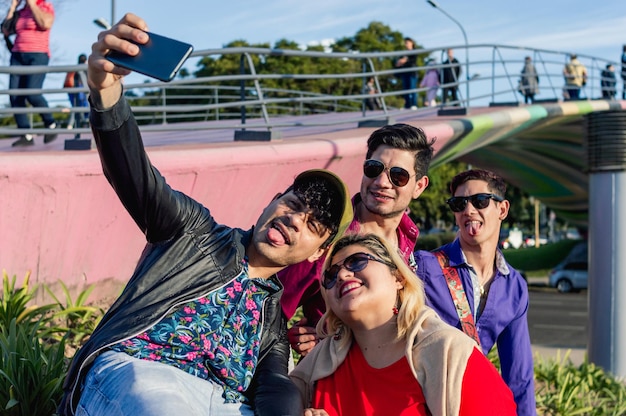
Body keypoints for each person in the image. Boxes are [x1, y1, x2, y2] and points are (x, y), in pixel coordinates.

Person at [58, 13, 354, 416]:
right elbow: (135, 177)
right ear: (271, 201)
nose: (294, 220)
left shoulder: (271, 324)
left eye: (312, 224)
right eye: (293, 204)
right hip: (143, 374)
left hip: (222, 404)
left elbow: (275, 387)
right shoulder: (193, 232)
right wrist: (107, 95)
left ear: (317, 252)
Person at [290, 233, 517, 415]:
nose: (341, 275)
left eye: (356, 262)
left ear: (398, 278)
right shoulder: (314, 369)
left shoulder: (451, 354)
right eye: (330, 276)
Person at [280, 123, 434, 358]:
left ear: (419, 186)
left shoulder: (407, 236)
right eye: (374, 168)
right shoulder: (326, 234)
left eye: (398, 176)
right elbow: (273, 309)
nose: (382, 182)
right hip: (336, 381)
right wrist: (300, 341)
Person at [414, 169, 536, 416]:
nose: (468, 210)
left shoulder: (515, 287)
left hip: (472, 405)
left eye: (480, 201)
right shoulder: (424, 267)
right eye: (459, 204)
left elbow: (519, 377)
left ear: (502, 209)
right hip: (419, 403)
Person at [3, 0, 58, 147]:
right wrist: (14, 6)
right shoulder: (21, 11)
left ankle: (50, 124)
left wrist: (33, 4)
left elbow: (45, 24)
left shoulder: (45, 6)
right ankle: (26, 134)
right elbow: (6, 30)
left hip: (38, 55)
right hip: (17, 55)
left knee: (33, 93)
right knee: (15, 96)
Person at [66, 53, 89, 138]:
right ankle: (84, 123)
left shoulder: (75, 67)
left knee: (76, 108)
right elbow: (85, 80)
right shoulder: (85, 68)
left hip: (73, 91)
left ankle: (72, 125)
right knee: (82, 107)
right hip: (81, 90)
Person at [395, 37, 418, 110]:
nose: (406, 44)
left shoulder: (414, 51)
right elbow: (399, 62)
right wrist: (399, 62)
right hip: (405, 73)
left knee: (412, 88)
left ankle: (414, 104)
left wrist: (404, 61)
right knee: (406, 89)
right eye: (405, 43)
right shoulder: (404, 53)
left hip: (412, 73)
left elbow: (413, 61)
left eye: (407, 43)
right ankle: (407, 105)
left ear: (412, 43)